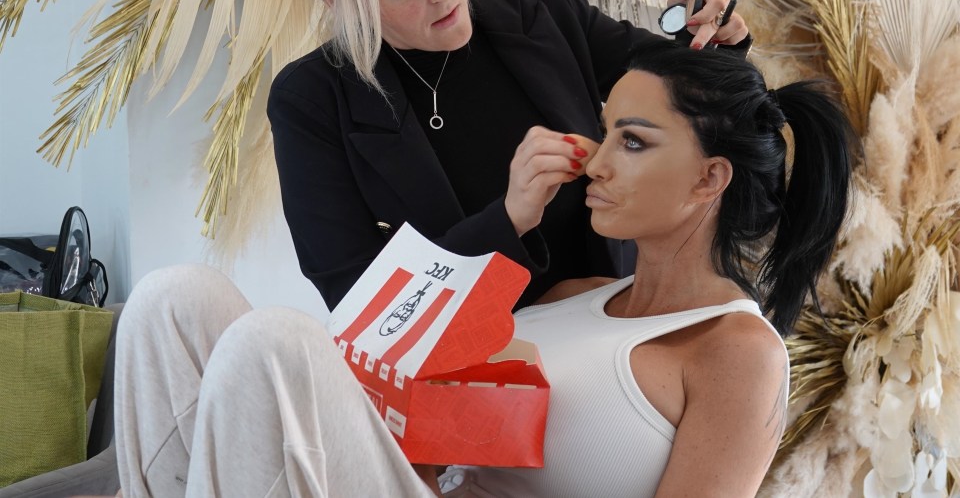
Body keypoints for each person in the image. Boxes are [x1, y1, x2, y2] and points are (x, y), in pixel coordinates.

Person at [114, 38, 855, 497]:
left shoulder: (735, 353)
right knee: (173, 301)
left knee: (274, 345)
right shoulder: (576, 292)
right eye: (603, 132)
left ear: (709, 180)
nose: (594, 162)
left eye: (632, 142)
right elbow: (427, 418)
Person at [266, 0, 752, 312]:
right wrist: (510, 217)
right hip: (474, 368)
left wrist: (713, 38)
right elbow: (358, 302)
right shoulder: (311, 101)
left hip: (617, 318)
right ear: (338, 4)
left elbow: (682, 96)